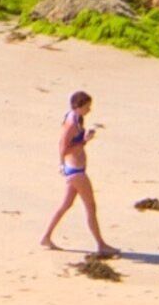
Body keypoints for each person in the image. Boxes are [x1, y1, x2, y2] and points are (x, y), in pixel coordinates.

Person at [39, 90, 112, 254]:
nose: (89, 110)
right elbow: (64, 148)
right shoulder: (72, 123)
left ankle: (46, 237)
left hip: (75, 169)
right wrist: (84, 141)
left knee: (66, 205)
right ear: (78, 106)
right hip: (76, 171)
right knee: (90, 207)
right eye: (87, 107)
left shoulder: (77, 118)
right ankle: (101, 245)